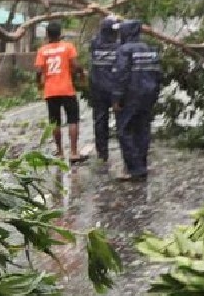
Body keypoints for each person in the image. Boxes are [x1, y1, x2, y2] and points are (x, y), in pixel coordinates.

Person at [111, 19, 162, 181]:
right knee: (143, 129)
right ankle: (141, 164)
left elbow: (121, 75)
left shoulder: (124, 50)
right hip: (148, 95)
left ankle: (135, 168)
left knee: (124, 130)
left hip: (131, 95)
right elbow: (158, 74)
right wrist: (155, 94)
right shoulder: (151, 50)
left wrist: (116, 98)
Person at [35, 20, 88, 163]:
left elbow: (39, 71)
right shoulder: (68, 47)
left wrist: (39, 84)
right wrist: (82, 74)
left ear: (47, 35)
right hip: (67, 89)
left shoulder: (42, 50)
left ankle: (59, 152)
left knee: (55, 122)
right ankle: (74, 152)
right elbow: (75, 65)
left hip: (50, 91)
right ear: (60, 34)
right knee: (73, 120)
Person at [87, 15, 121, 165]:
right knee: (121, 121)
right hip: (115, 90)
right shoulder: (119, 46)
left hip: (98, 87)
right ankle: (126, 152)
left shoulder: (95, 44)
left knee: (100, 121)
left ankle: (102, 153)